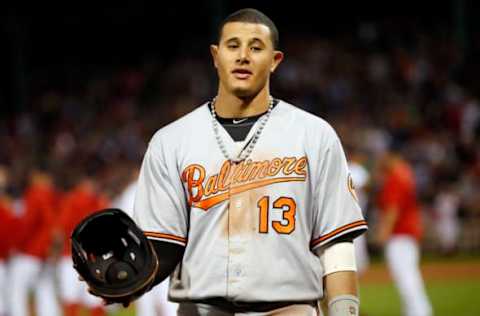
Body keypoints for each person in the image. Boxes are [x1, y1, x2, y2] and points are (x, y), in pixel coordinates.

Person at [86, 8, 367, 316]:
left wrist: (345, 309)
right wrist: (133, 282)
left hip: (289, 308)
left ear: (275, 61)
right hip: (200, 309)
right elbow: (166, 245)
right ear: (216, 56)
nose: (243, 56)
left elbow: (337, 245)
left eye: (256, 47)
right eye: (233, 45)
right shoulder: (171, 141)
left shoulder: (314, 135)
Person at [111, 164, 179, 316]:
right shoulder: (162, 188)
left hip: (140, 254)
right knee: (165, 298)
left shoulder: (131, 192)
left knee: (147, 300)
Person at [375, 148, 432, 316]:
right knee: (410, 275)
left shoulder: (395, 177)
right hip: (408, 233)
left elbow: (393, 208)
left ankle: (419, 312)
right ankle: (417, 311)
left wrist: (383, 232)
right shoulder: (406, 172)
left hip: (400, 235)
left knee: (406, 277)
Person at [9, 166, 61, 316]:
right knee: (46, 291)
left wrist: (16, 246)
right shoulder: (56, 197)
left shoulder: (35, 194)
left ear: (39, 176)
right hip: (48, 252)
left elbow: (27, 225)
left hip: (30, 251)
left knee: (16, 290)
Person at [56, 173, 109, 316]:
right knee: (95, 300)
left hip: (71, 256)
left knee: (70, 299)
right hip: (93, 259)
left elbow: (60, 229)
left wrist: (53, 250)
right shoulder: (100, 201)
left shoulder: (70, 199)